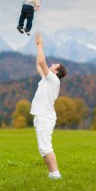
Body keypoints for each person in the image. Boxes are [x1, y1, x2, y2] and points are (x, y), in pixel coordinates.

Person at [30, 32, 67, 179]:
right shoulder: (48, 79)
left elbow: (42, 63)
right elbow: (39, 65)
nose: (51, 65)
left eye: (54, 65)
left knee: (46, 148)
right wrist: (38, 47)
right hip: (42, 116)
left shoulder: (53, 80)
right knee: (42, 148)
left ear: (56, 71)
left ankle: (56, 175)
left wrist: (40, 45)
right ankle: (52, 174)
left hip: (45, 117)